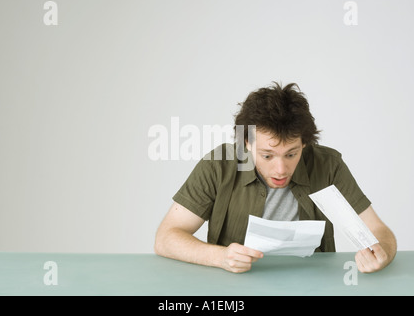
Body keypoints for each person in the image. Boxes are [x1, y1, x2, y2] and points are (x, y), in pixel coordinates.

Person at [154, 82, 397, 273]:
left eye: (291, 154)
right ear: (247, 143)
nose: (281, 169)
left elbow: (378, 230)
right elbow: (166, 238)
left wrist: (381, 254)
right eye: (267, 155)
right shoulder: (219, 165)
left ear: (304, 142)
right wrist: (220, 257)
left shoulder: (327, 164)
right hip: (236, 287)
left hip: (313, 286)